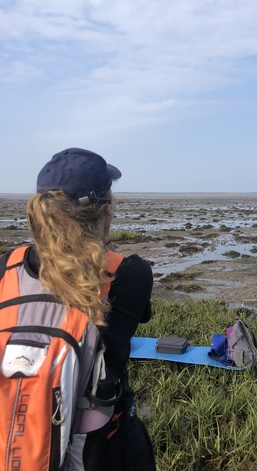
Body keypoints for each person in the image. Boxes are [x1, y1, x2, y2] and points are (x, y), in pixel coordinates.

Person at [1, 147, 156, 471]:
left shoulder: (6, 269)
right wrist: (102, 240)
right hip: (105, 451)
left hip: (20, 442)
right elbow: (140, 316)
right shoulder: (130, 275)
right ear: (106, 211)